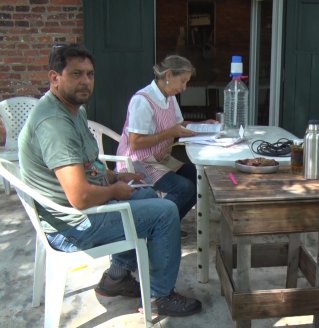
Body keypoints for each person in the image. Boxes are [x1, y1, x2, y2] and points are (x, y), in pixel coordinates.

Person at [18, 43, 202, 317]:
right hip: (72, 225)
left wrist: (114, 176)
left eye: (90, 74)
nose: (85, 81)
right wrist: (115, 189)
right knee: (166, 212)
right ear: (54, 78)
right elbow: (80, 196)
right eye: (76, 74)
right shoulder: (54, 124)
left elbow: (86, 165)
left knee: (150, 198)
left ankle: (116, 277)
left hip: (80, 210)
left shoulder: (73, 111)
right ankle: (160, 297)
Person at [116, 55, 216, 230]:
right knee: (184, 188)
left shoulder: (168, 97)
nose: (184, 88)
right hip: (138, 162)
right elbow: (135, 143)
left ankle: (168, 226)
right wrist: (170, 133)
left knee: (197, 177)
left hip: (160, 158)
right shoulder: (142, 100)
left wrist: (202, 125)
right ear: (168, 75)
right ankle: (155, 226)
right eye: (183, 81)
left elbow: (178, 125)